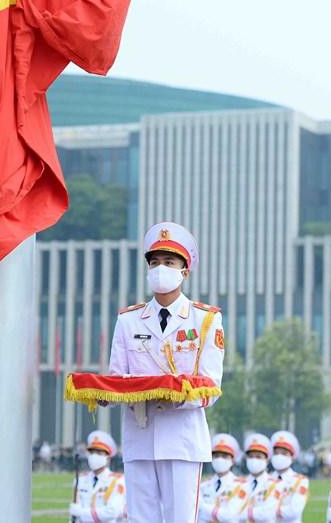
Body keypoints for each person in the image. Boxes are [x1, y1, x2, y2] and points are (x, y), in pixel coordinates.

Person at [108, 221, 225, 522]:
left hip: (182, 439)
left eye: (170, 262)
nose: (161, 269)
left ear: (185, 270)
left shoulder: (205, 320)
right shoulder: (128, 320)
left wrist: (175, 397)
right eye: (155, 262)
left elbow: (211, 386)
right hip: (139, 434)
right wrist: (105, 394)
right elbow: (116, 376)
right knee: (140, 518)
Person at [69, 430, 127, 522]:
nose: (94, 456)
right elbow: (74, 517)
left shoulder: (118, 480)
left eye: (99, 453)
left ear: (108, 458)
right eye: (92, 453)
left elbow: (112, 512)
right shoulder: (79, 480)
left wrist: (81, 513)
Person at [261, 430, 309, 522]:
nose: (279, 456)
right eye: (276, 453)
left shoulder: (299, 481)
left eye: (284, 453)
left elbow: (294, 511)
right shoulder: (265, 479)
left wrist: (266, 512)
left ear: (292, 456)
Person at [197, 433, 246, 523]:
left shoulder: (241, 486)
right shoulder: (203, 486)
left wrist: (203, 507)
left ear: (232, 460)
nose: (219, 459)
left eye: (224, 457)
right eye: (216, 456)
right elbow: (198, 517)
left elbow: (230, 516)